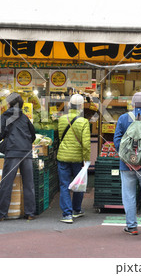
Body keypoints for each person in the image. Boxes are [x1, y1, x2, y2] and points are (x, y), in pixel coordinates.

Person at [0, 92, 37, 221]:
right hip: (26, 152)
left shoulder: (6, 115)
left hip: (13, 152)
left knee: (6, 183)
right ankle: (30, 213)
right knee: (29, 184)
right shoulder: (24, 117)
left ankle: (0, 214)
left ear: (9, 104)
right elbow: (33, 134)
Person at [113, 92, 141, 237]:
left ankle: (132, 227)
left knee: (129, 195)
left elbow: (117, 141)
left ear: (132, 104)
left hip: (126, 166)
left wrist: (128, 161)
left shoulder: (123, 118)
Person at [57, 94, 91, 224]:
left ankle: (67, 214)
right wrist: (86, 160)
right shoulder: (84, 122)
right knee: (79, 184)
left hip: (63, 157)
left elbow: (61, 138)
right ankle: (76, 210)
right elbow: (86, 144)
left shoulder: (61, 120)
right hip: (77, 158)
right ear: (81, 106)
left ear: (69, 105)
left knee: (64, 185)